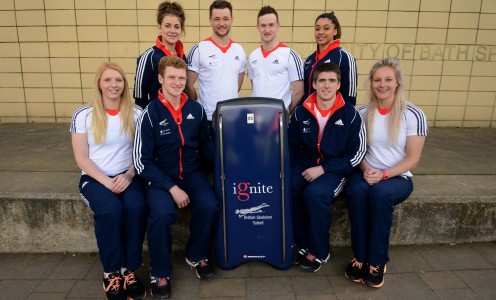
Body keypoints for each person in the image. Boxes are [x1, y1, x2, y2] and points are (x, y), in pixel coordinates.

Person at [133, 56, 218, 299]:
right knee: (161, 214)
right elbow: (141, 161)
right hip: (160, 177)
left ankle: (196, 254)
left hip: (191, 173)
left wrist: (228, 165)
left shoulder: (196, 108)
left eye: (181, 78)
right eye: (171, 77)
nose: (177, 82)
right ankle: (160, 271)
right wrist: (171, 187)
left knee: (209, 205)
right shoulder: (149, 113)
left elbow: (207, 145)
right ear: (160, 79)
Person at [344, 58, 427, 288]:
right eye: (377, 80)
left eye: (388, 79)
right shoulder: (361, 112)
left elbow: (413, 158)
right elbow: (356, 151)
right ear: (371, 84)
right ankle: (360, 257)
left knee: (379, 195)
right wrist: (366, 169)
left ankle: (377, 261)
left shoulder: (413, 114)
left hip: (397, 177)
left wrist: (384, 175)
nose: (383, 85)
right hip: (365, 172)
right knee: (357, 191)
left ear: (397, 82)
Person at [71, 62, 147, 300]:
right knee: (111, 209)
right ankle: (111, 272)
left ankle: (128, 269)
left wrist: (128, 174)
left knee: (136, 207)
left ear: (124, 85)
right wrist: (106, 181)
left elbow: (143, 154)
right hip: (95, 179)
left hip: (127, 176)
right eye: (108, 80)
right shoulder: (83, 115)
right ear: (99, 84)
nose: (114, 85)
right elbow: (81, 158)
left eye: (118, 80)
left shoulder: (136, 114)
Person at [289, 63, 366, 273]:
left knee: (315, 195)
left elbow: (356, 155)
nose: (326, 85)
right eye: (322, 80)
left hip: (334, 170)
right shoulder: (300, 112)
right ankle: (301, 244)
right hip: (305, 164)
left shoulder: (351, 115)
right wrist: (287, 171)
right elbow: (291, 147)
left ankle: (319, 251)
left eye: (332, 81)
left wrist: (323, 169)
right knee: (289, 187)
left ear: (339, 84)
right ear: (314, 83)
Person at [186, 0, 246, 128]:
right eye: (217, 19)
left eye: (225, 19)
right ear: (210, 20)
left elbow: (237, 84)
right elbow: (188, 84)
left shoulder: (239, 50)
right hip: (207, 118)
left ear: (232, 20)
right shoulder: (199, 49)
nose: (221, 23)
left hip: (232, 117)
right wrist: (199, 105)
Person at [248, 5, 304, 112]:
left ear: (278, 26)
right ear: (257, 27)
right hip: (256, 116)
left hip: (278, 119)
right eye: (263, 25)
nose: (267, 30)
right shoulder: (253, 56)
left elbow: (299, 91)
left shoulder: (289, 55)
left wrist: (284, 113)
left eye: (271, 25)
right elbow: (254, 84)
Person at [134, 1, 187, 109]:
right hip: (157, 120)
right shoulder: (149, 56)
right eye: (167, 26)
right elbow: (139, 96)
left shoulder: (183, 57)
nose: (172, 31)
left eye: (177, 27)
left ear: (181, 29)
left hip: (179, 118)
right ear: (160, 27)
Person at [302, 12, 357, 106]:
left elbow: (350, 96)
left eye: (326, 28)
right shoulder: (309, 59)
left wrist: (344, 118)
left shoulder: (344, 57)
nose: (320, 32)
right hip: (309, 116)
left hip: (334, 117)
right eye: (317, 28)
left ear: (335, 31)